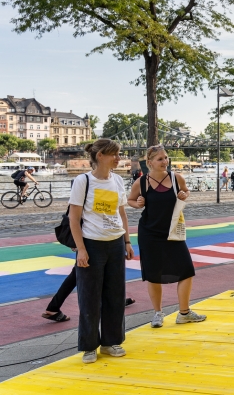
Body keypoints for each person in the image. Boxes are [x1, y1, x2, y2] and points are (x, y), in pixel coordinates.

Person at [69, 139, 134, 364]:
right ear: (100, 156)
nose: (118, 158)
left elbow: (121, 213)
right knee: (89, 298)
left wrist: (127, 241)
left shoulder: (117, 180)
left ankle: (110, 342)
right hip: (92, 244)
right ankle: (89, 346)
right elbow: (74, 218)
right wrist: (81, 249)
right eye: (114, 154)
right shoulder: (83, 181)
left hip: (115, 243)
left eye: (119, 154)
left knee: (115, 296)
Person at [127, 145, 205, 329]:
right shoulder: (142, 182)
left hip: (173, 232)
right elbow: (130, 200)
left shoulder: (176, 178)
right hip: (149, 234)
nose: (165, 161)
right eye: (160, 159)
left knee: (186, 270)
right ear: (150, 162)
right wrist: (138, 204)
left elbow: (186, 191)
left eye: (166, 157)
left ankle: (184, 313)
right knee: (153, 274)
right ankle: (158, 313)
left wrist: (184, 194)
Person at [42, 264, 135, 322]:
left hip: (90, 245)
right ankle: (53, 307)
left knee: (77, 275)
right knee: (77, 275)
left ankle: (115, 300)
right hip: (90, 245)